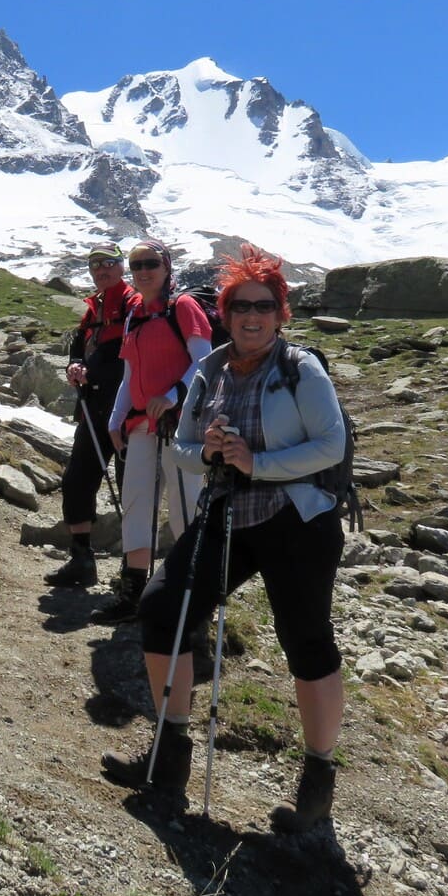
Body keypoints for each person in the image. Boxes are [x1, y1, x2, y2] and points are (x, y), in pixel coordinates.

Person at [100, 244, 349, 831]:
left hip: (297, 519)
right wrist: (209, 453)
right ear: (226, 313)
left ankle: (318, 784)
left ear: (281, 313)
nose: (251, 316)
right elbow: (183, 448)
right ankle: (169, 756)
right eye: (240, 306)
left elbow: (330, 445)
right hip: (228, 511)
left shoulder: (301, 368)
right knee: (162, 608)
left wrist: (257, 463)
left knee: (306, 640)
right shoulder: (210, 370)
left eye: (264, 306)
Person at [97, 239, 214, 623]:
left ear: (166, 267)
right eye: (137, 265)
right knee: (136, 502)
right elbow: (130, 374)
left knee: (185, 507)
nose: (143, 271)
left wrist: (173, 394)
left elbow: (205, 362)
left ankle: (192, 599)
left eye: (151, 263)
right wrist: (116, 418)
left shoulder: (184, 306)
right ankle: (134, 591)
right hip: (142, 425)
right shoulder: (135, 313)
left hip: (181, 425)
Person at [47, 243, 138, 588]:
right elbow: (80, 346)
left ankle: (133, 569)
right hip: (94, 407)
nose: (101, 270)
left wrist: (94, 371)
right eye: (95, 265)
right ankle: (81, 558)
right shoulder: (94, 307)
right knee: (77, 481)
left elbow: (135, 354)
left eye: (108, 263)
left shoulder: (134, 304)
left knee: (132, 488)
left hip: (129, 411)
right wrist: (76, 364)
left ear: (121, 266)